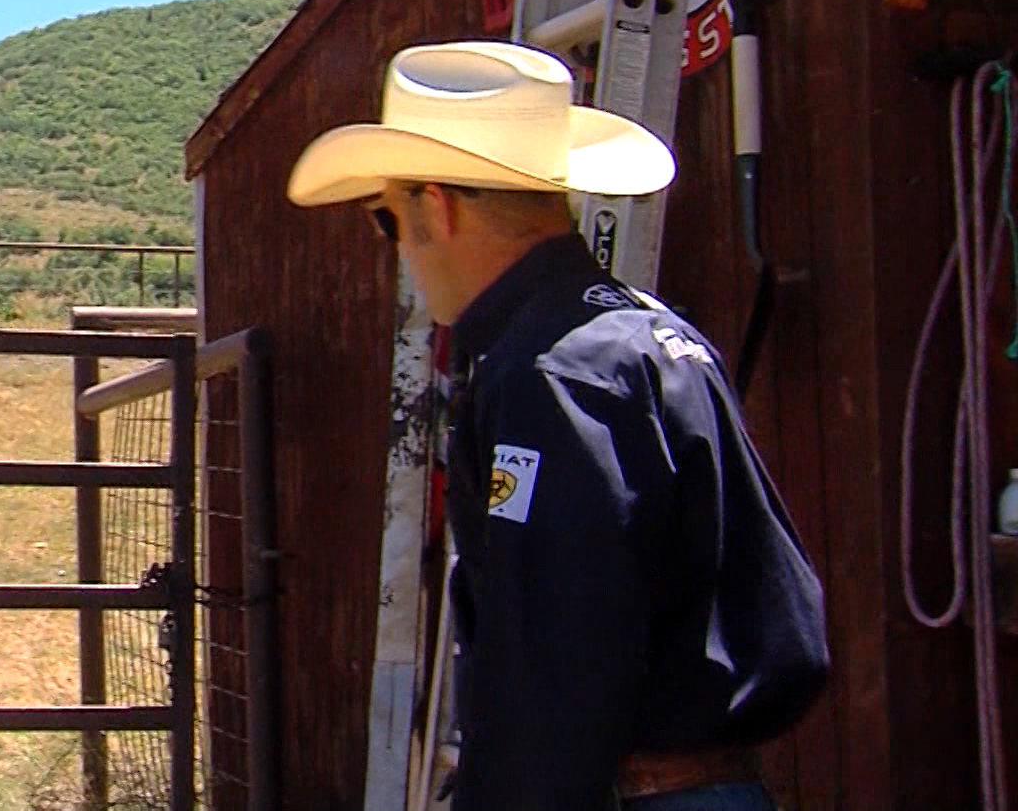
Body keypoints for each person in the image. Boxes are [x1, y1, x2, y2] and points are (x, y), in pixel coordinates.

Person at [285, 40, 830, 811]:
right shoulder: (646, 334)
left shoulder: (545, 374)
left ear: (435, 207)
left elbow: (555, 665)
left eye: (387, 220)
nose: (399, 250)